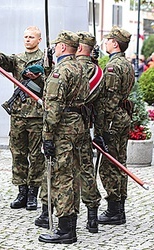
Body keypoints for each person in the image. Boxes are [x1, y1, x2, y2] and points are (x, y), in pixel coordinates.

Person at [0, 26, 47, 210]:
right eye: (25, 36)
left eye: (31, 37)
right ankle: (22, 191)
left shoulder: (45, 59)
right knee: (18, 153)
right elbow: (6, 60)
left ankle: (33, 193)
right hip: (18, 114)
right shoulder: (18, 58)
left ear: (39, 40)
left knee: (36, 155)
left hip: (36, 114)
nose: (27, 39)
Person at [38, 30, 87, 244]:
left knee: (61, 176)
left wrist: (47, 136)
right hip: (78, 124)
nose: (55, 47)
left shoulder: (61, 71)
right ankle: (71, 220)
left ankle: (66, 229)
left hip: (63, 128)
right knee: (73, 173)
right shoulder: (80, 67)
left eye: (57, 44)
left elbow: (53, 107)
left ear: (63, 47)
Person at [93, 26, 134, 225]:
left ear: (115, 43)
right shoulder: (127, 64)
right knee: (120, 162)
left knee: (109, 166)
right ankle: (119, 208)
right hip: (123, 117)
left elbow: (109, 99)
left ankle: (114, 209)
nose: (105, 43)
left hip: (112, 121)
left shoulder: (112, 67)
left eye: (108, 40)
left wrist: (102, 127)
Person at [75, 31, 103, 233]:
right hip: (85, 127)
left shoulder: (71, 68)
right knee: (87, 170)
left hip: (66, 127)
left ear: (78, 48)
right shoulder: (97, 71)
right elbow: (101, 105)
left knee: (63, 172)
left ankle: (50, 211)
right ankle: (92, 216)